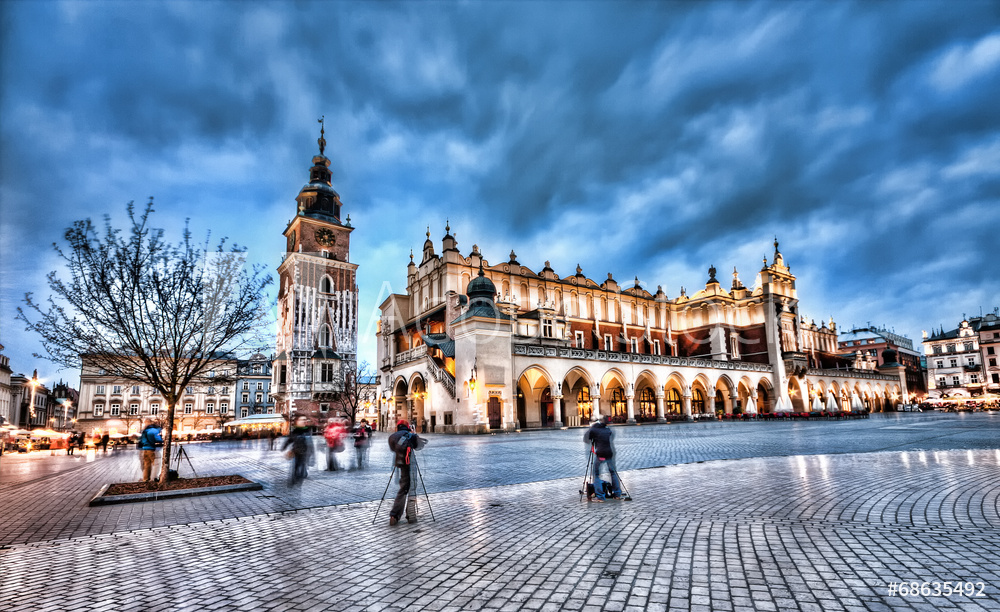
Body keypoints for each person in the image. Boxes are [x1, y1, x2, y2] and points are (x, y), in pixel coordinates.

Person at [387, 419, 426, 525]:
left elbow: (392, 448)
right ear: (407, 426)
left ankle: (395, 515)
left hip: (400, 464)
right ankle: (410, 515)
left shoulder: (392, 437)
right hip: (410, 464)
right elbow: (419, 446)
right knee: (411, 487)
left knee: (403, 487)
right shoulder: (410, 435)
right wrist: (414, 434)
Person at [583, 415, 621, 502]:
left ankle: (600, 496)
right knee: (613, 472)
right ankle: (617, 494)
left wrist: (591, 430)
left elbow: (586, 439)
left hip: (600, 454)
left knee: (596, 474)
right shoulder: (607, 430)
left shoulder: (593, 429)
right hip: (609, 453)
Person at [282, 415, 313, 486]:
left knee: (301, 465)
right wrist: (284, 447)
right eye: (302, 420)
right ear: (297, 422)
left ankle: (299, 478)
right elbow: (290, 440)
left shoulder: (307, 430)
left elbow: (310, 443)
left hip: (304, 452)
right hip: (296, 451)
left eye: (305, 420)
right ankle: (294, 479)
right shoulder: (295, 431)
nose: (304, 421)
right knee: (295, 466)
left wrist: (311, 453)